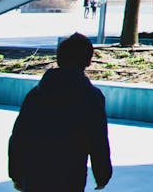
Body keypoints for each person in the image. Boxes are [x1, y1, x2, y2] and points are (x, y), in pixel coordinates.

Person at [9, 32, 112, 191]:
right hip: (70, 174)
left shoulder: (35, 95)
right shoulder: (91, 97)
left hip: (35, 171)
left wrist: (16, 173)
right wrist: (102, 174)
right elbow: (98, 140)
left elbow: (19, 137)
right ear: (88, 61)